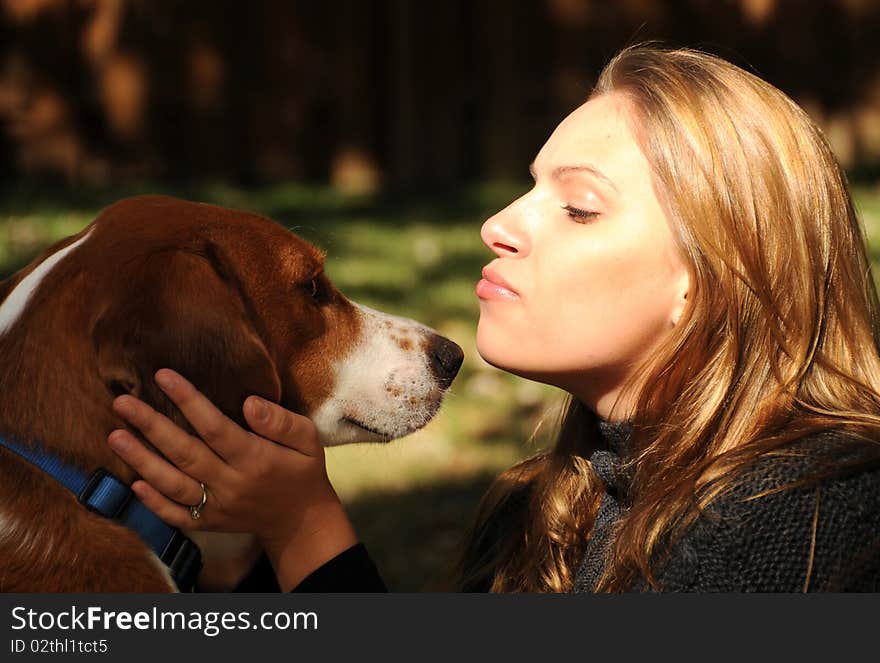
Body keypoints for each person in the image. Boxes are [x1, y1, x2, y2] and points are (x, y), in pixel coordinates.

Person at [107, 44, 880, 592]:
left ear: (712, 281)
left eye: (578, 208)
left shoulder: (812, 516)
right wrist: (240, 552)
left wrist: (304, 527)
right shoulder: (539, 509)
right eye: (529, 187)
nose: (499, 223)